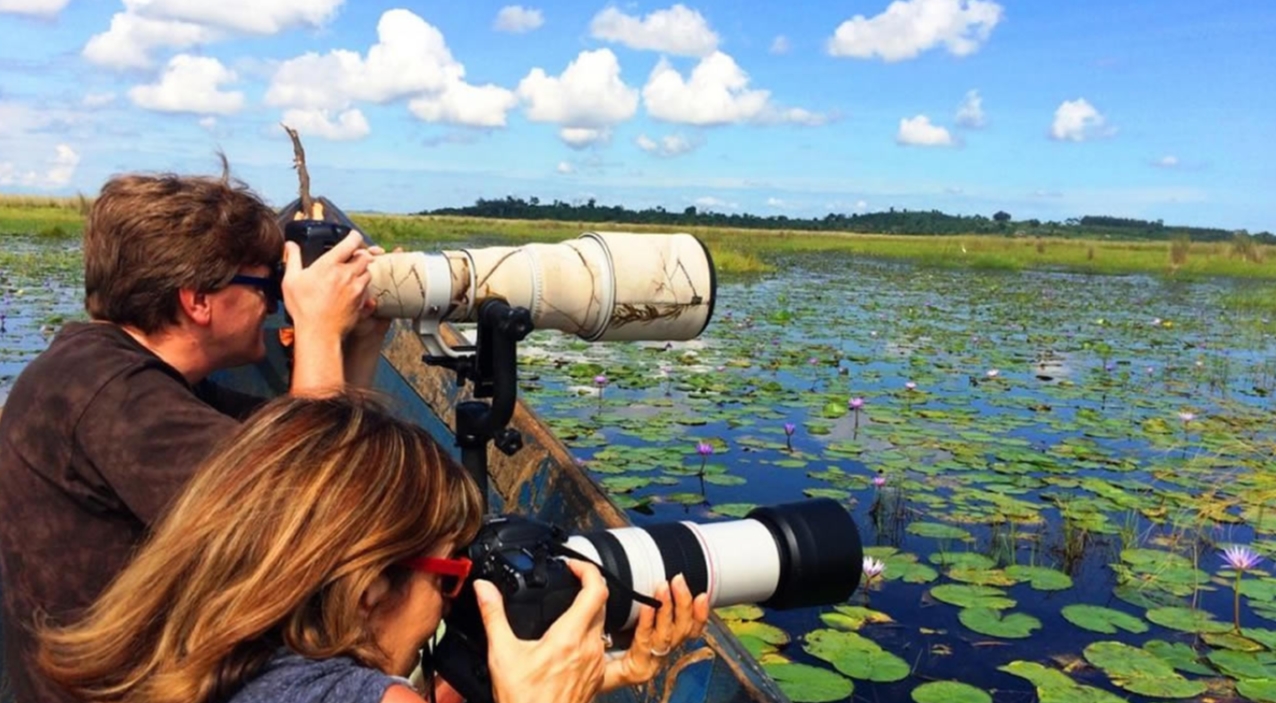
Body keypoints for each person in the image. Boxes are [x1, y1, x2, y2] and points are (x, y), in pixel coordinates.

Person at [35, 392, 710, 703]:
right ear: (367, 590)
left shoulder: (182, 649)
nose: (450, 601)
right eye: (449, 575)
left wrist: (594, 672)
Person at [0, 166, 389, 703]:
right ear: (197, 301)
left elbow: (310, 447)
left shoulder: (132, 376)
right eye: (263, 285)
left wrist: (357, 346)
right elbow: (304, 521)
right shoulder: (110, 392)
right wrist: (318, 330)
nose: (274, 303)